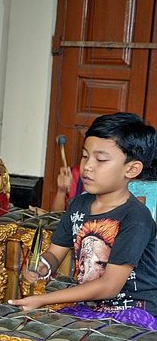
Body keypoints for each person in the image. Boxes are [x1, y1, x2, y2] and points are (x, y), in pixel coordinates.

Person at [11, 112, 157, 328]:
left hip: (133, 313)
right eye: (85, 156)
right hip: (92, 308)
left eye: (101, 159)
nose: (87, 166)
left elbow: (109, 286)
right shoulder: (79, 205)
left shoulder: (135, 217)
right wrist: (42, 266)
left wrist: (42, 300)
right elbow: (54, 253)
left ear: (132, 169)